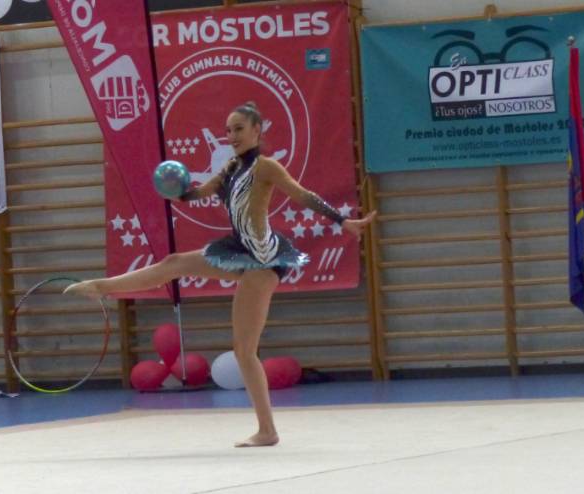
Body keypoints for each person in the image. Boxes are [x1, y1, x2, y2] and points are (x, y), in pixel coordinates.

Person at [65, 102, 375, 446]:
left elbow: (303, 194)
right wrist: (175, 187)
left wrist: (342, 221)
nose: (232, 136)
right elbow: (196, 194)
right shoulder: (230, 168)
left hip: (262, 259)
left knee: (244, 350)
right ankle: (101, 287)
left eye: (239, 128)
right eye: (228, 130)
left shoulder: (266, 166)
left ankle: (267, 431)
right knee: (174, 262)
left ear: (257, 130)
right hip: (239, 249)